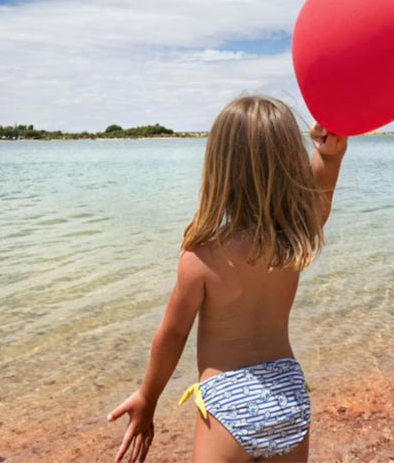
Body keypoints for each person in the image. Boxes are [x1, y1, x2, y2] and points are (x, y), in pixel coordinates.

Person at [110, 95, 348, 462]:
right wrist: (331, 156)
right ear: (290, 163)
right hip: (288, 393)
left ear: (219, 168)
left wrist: (147, 396)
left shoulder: (202, 257)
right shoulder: (293, 239)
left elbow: (172, 334)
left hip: (227, 398)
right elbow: (321, 193)